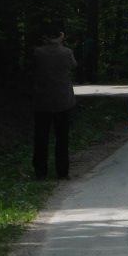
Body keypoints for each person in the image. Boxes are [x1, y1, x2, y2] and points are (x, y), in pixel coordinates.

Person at [31, 25, 78, 180]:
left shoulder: (37, 52)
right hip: (63, 101)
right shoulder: (66, 52)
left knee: (41, 138)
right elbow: (73, 65)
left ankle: (40, 171)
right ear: (61, 36)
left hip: (42, 101)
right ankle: (62, 171)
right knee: (62, 138)